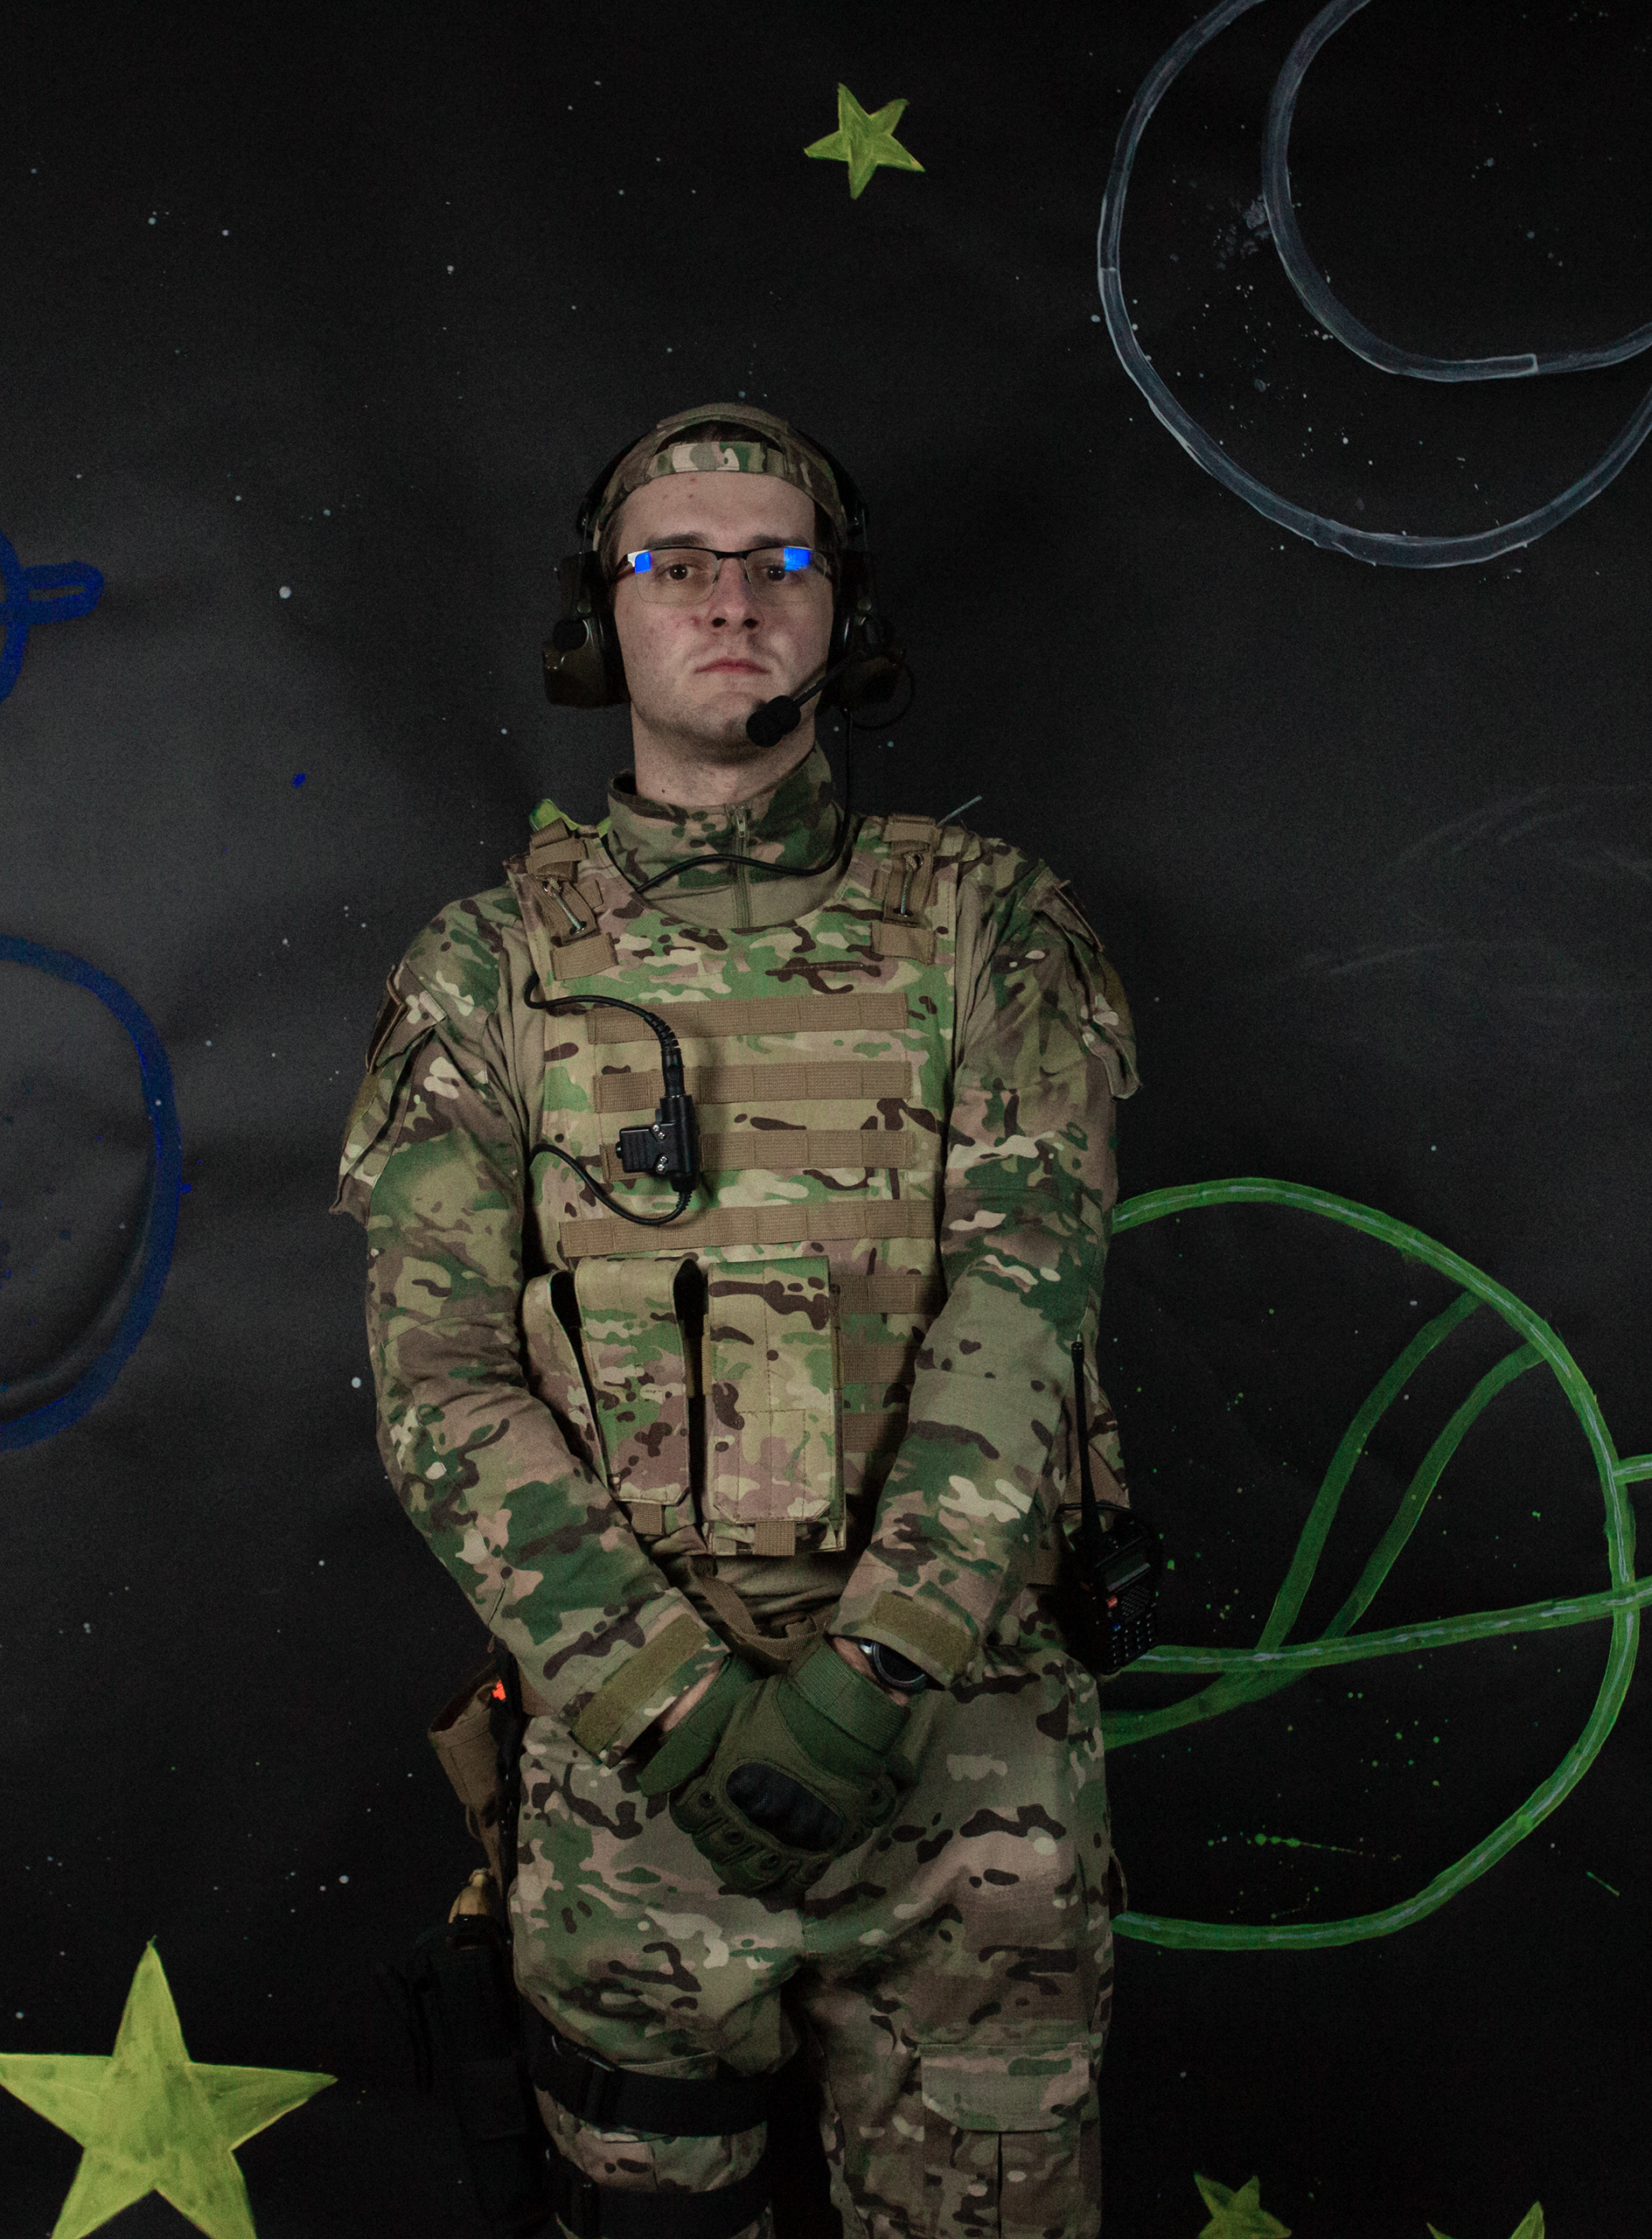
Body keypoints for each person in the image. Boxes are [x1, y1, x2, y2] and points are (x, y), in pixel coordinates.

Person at [338, 403, 1140, 2239]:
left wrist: (870, 1684)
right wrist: (679, 1714)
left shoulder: (993, 928)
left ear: (841, 610)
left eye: (778, 559)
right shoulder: (485, 970)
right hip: (637, 1794)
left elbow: (1028, 1300)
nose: (730, 597)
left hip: (971, 1776)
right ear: (602, 615)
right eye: (675, 561)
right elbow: (437, 1377)